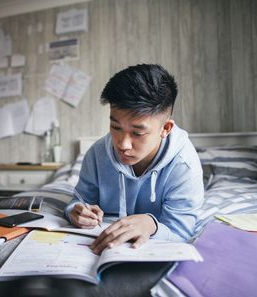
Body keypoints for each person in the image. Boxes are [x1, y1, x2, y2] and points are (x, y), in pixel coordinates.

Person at [64, 64, 204, 255]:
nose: (123, 144)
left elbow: (182, 230)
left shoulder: (184, 165)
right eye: (116, 127)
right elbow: (79, 201)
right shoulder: (97, 154)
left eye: (137, 133)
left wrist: (152, 225)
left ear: (166, 128)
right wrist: (75, 212)